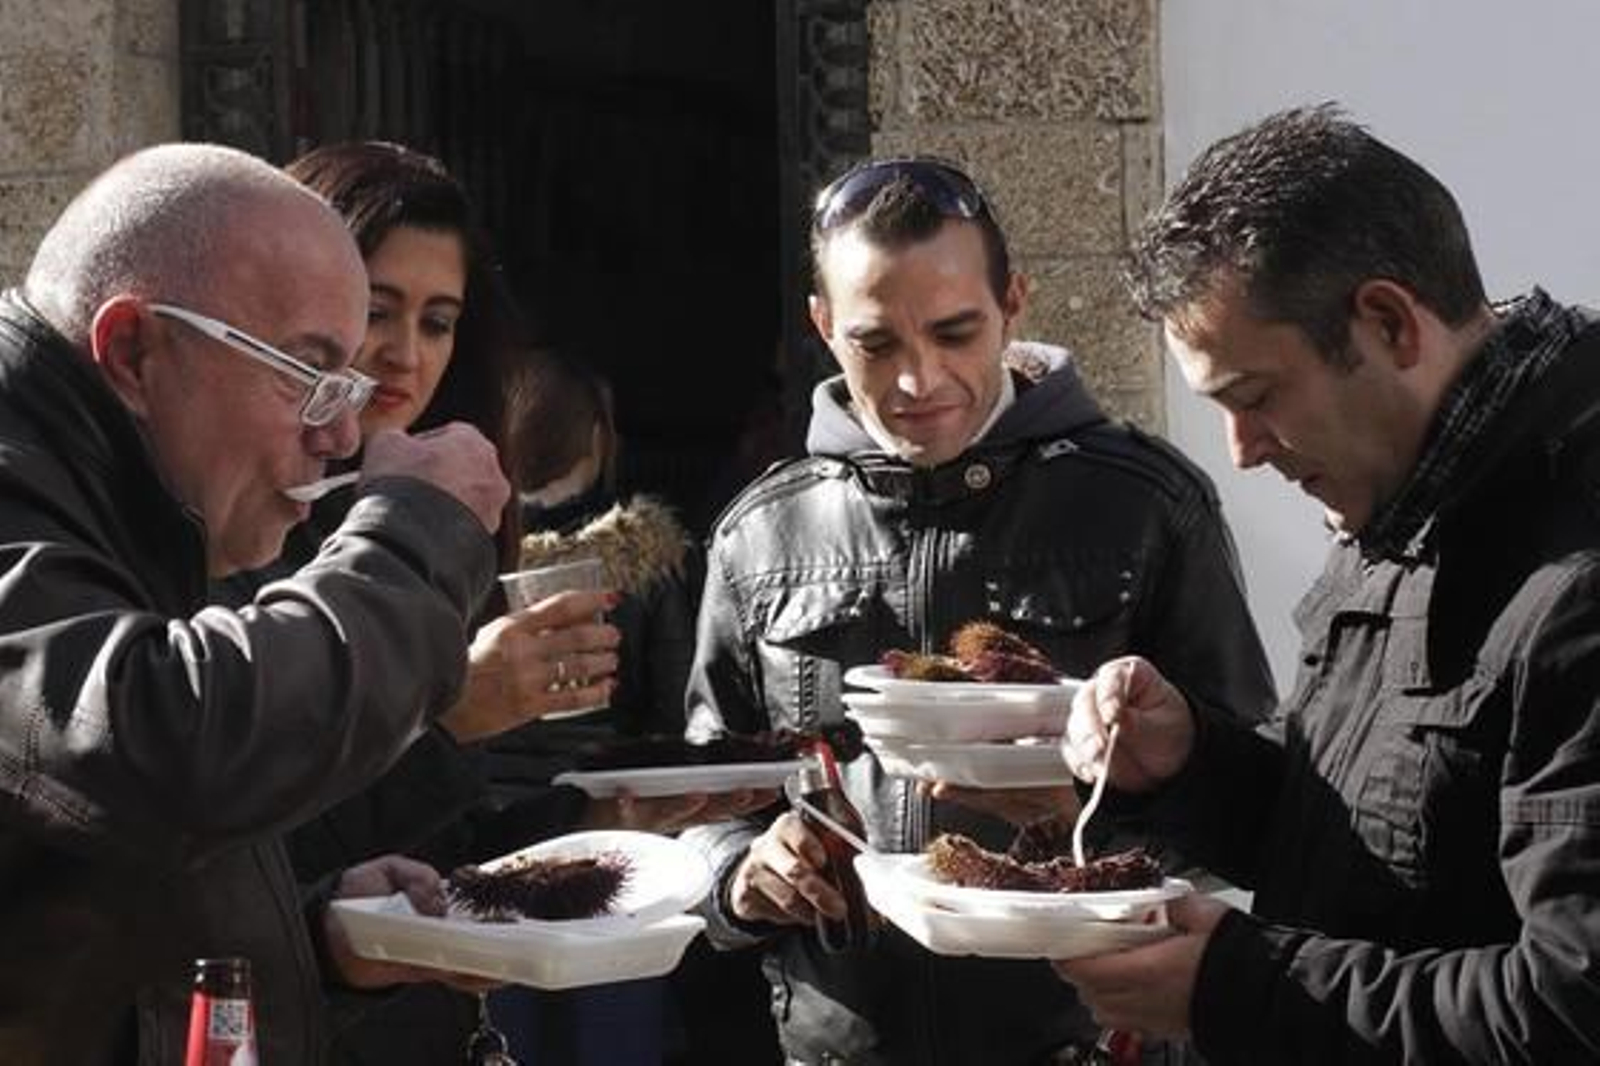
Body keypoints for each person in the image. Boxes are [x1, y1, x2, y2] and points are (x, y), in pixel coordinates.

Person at [679, 155, 1277, 1064]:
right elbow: (703, 791)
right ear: (822, 326)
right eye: (877, 344)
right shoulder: (759, 533)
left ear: (1015, 305)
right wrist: (741, 874)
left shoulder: (1146, 504)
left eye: (956, 333)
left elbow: (1248, 792)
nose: (919, 381)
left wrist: (1102, 812)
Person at [1055, 103, 1600, 1064]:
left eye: (1256, 399)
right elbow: (1376, 834)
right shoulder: (1403, 492)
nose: (1243, 451)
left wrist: (1238, 987)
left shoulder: (1573, 576)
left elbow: (1569, 1006)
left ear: (1388, 322)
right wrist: (1189, 762)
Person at [0, 142, 518, 1065]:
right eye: (307, 372)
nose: (343, 433)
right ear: (130, 351)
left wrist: (309, 941)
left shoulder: (131, 502)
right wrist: (415, 536)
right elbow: (154, 747)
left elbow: (88, 896)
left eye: (346, 387)